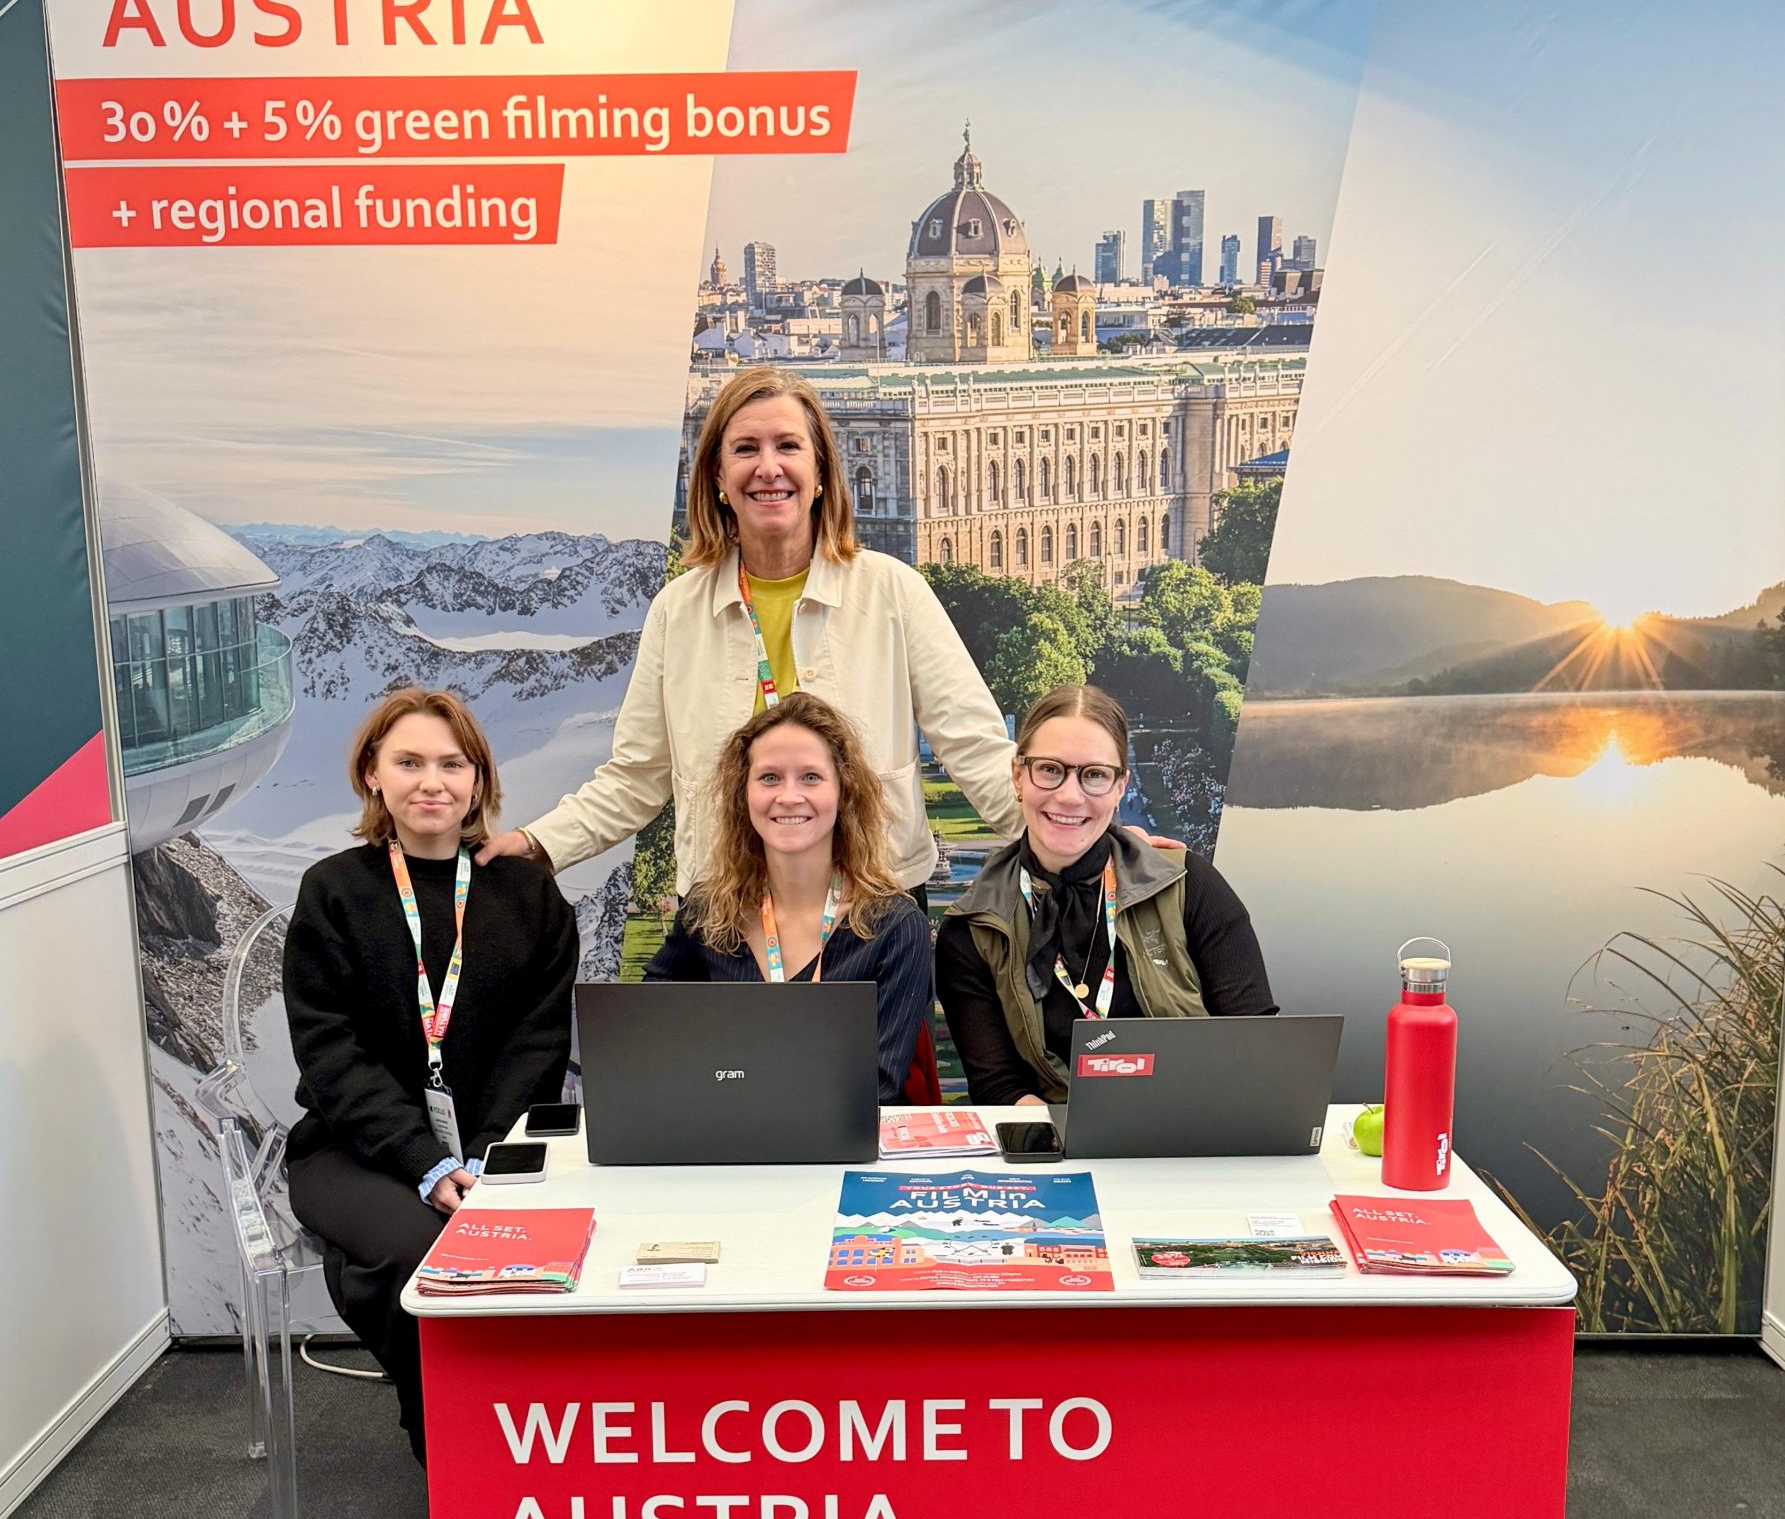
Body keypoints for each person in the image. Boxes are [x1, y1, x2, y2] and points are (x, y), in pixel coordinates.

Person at [477, 367, 1019, 896]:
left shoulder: (892, 591)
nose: (768, 467)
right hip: (725, 909)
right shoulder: (677, 611)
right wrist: (538, 843)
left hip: (871, 903)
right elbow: (636, 777)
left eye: (788, 446)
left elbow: (973, 746)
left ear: (821, 471)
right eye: (745, 449)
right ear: (717, 477)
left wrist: (1055, 834)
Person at [283, 687, 578, 1461]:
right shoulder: (334, 891)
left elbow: (537, 1045)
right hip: (356, 1147)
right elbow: (329, 1051)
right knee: (416, 1254)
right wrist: (425, 1161)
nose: (431, 782)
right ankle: (455, 1453)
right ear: (371, 774)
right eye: (408, 762)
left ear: (478, 779)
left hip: (500, 1143)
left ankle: (549, 1443)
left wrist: (484, 1155)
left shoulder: (528, 894)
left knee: (574, 1248)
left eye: (451, 764)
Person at [935, 684, 1275, 1107]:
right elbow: (999, 1088)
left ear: (1120, 786)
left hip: (1196, 1132)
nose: (1069, 795)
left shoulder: (1190, 885)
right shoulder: (972, 931)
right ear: (1018, 775)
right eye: (1050, 769)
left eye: (1094, 775)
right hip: (1058, 1139)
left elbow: (1255, 1042)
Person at [644, 692, 930, 1100]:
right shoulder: (706, 913)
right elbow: (646, 1036)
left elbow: (878, 1087)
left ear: (844, 791)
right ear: (743, 793)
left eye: (811, 777)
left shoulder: (896, 927)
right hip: (725, 1133)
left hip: (839, 1139)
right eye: (769, 778)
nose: (789, 796)